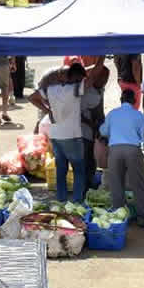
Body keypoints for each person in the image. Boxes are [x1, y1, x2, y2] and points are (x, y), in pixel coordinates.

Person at [30, 62, 88, 203]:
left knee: (61, 170)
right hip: (71, 136)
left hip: (55, 134)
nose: (81, 80)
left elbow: (31, 97)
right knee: (79, 170)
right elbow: (94, 73)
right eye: (80, 77)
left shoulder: (51, 88)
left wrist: (47, 110)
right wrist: (100, 57)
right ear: (74, 76)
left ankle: (61, 200)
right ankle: (77, 201)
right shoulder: (75, 88)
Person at [99, 88, 144, 225]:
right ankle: (142, 217)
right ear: (134, 101)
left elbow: (103, 131)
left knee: (116, 184)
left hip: (114, 150)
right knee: (138, 184)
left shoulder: (112, 114)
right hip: (133, 150)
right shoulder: (138, 115)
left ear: (121, 100)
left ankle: (119, 217)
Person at [80, 64, 108, 190]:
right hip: (85, 132)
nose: (105, 81)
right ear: (96, 77)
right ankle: (84, 188)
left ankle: (89, 183)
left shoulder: (100, 89)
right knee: (86, 161)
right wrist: (92, 125)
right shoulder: (86, 92)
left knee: (92, 160)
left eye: (107, 79)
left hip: (95, 130)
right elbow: (78, 114)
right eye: (103, 78)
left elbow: (100, 109)